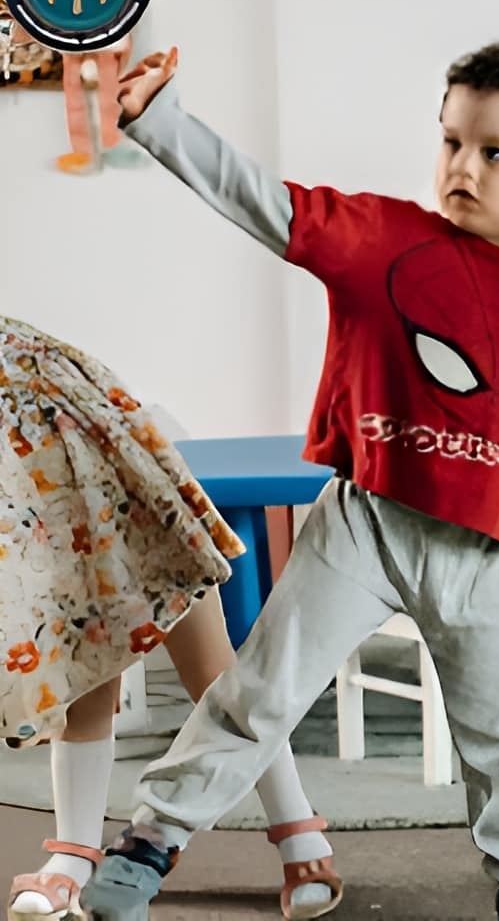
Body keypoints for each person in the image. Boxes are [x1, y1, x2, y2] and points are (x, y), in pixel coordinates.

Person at [79, 41, 499, 921]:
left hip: (486, 553)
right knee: (259, 694)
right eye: (451, 141)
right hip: (365, 525)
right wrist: (160, 120)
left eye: (494, 151)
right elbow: (263, 201)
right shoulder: (384, 238)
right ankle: (151, 840)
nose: (463, 167)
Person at [0, 317, 343, 921]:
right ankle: (76, 852)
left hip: (121, 484)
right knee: (84, 672)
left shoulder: (30, 357)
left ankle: (298, 829)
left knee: (213, 674)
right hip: (42, 509)